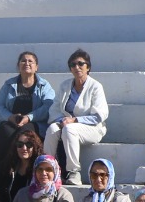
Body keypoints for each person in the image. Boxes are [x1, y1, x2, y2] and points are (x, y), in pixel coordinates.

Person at [44, 49, 108, 185]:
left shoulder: (95, 87)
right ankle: (48, 168)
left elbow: (99, 116)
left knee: (70, 130)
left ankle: (74, 172)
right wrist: (62, 121)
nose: (77, 67)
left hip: (92, 128)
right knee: (52, 129)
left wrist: (74, 120)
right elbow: (54, 110)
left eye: (81, 64)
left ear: (88, 67)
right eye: (73, 65)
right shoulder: (65, 86)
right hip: (67, 124)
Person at [0, 52, 56, 169]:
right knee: (4, 131)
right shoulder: (9, 84)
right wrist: (10, 117)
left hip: (34, 122)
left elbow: (48, 106)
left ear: (37, 67)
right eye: (23, 61)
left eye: (30, 61)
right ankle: (1, 173)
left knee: (25, 134)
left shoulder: (44, 85)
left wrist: (29, 117)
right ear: (18, 66)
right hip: (12, 121)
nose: (27, 63)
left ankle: (25, 170)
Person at [0, 129, 43, 202]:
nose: (24, 148)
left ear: (35, 147)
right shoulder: (8, 166)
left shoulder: (40, 169)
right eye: (20, 144)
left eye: (29, 145)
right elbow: (0, 191)